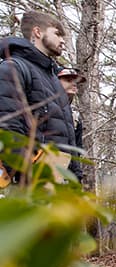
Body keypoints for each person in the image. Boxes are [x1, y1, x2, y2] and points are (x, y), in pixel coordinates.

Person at [0, 11, 82, 183]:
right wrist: (26, 173)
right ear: (38, 32)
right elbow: (8, 126)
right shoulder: (13, 68)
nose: (62, 41)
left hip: (59, 183)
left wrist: (75, 179)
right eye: (57, 34)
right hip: (32, 183)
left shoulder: (53, 78)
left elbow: (67, 136)